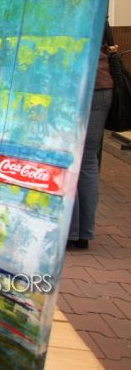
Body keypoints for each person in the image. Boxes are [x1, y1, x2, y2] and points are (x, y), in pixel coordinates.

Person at [68, 24, 117, 250]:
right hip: (102, 87)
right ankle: (84, 233)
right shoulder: (99, 15)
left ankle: (70, 232)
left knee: (70, 157)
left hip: (74, 89)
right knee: (88, 160)